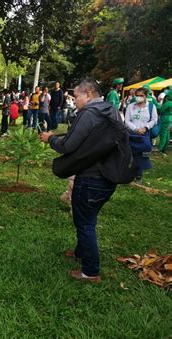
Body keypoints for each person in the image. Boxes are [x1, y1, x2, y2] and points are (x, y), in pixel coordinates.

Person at [40, 78, 119, 283]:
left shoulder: (89, 114)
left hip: (91, 178)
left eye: (76, 96)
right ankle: (80, 252)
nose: (74, 100)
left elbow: (68, 146)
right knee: (87, 218)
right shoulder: (111, 111)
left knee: (85, 223)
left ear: (89, 94)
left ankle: (90, 271)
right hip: (108, 177)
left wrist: (50, 139)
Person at [125, 87, 158, 183]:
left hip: (144, 134)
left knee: (141, 156)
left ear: (146, 96)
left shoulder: (151, 106)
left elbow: (154, 120)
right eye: (137, 96)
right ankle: (128, 175)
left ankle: (139, 176)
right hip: (131, 134)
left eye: (141, 96)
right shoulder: (131, 106)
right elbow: (127, 120)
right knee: (130, 154)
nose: (139, 97)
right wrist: (136, 129)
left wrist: (146, 127)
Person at [157, 89, 172, 153]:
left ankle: (160, 149)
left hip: (165, 119)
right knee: (167, 134)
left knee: (163, 134)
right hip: (170, 119)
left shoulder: (168, 103)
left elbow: (161, 110)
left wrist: (157, 105)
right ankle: (164, 148)